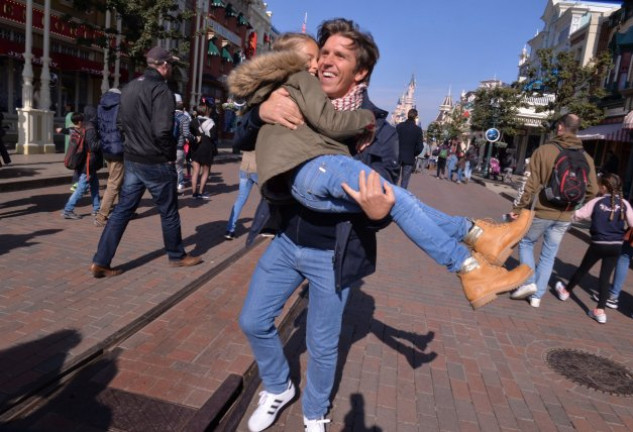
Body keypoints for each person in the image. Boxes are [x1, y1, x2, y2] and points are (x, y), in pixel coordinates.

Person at [235, 21, 532, 432]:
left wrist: (375, 215)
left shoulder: (381, 128)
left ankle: (314, 414)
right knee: (252, 321)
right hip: (286, 240)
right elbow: (243, 136)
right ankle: (278, 385)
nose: (324, 62)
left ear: (361, 72)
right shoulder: (293, 91)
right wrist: (258, 112)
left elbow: (388, 207)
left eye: (339, 56)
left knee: (322, 345)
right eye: (323, 53)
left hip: (332, 255)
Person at [90, 45, 201, 278]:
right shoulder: (161, 91)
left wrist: (131, 145)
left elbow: (119, 124)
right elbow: (162, 131)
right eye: (170, 65)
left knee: (122, 210)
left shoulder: (129, 87)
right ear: (163, 65)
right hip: (154, 160)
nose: (171, 69)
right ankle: (177, 255)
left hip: (132, 158)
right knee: (169, 212)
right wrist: (170, 157)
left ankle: (101, 260)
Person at [509, 113, 599, 307]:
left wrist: (518, 207)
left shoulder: (545, 150)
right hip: (565, 215)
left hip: (543, 210)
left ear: (559, 127)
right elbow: (593, 190)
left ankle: (529, 282)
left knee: (526, 242)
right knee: (549, 254)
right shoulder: (586, 157)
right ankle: (537, 297)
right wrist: (576, 205)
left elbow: (530, 185)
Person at [553, 173, 633, 323]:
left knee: (583, 269)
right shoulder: (624, 204)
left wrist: (566, 216)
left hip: (598, 243)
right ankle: (600, 311)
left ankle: (566, 291)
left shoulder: (597, 201)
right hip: (616, 245)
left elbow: (578, 215)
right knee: (605, 277)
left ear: (603, 187)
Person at [58, 108, 102, 220]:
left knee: (95, 186)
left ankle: (97, 208)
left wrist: (61, 130)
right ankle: (68, 209)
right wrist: (104, 140)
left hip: (87, 162)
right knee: (82, 188)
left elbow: (69, 130)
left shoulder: (82, 128)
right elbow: (93, 146)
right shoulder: (90, 128)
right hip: (88, 163)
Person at [94, 88, 124, 227]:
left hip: (106, 148)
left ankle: (124, 210)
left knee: (119, 181)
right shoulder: (121, 106)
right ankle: (101, 216)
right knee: (113, 183)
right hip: (119, 148)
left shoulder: (101, 106)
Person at [224, 150, 258, 240]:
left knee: (240, 199)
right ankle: (271, 226)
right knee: (268, 198)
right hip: (258, 169)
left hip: (245, 168)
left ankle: (230, 230)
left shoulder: (248, 136)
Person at [189, 97, 216, 200]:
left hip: (196, 147)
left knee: (195, 171)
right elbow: (213, 137)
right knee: (205, 171)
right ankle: (201, 192)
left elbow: (190, 135)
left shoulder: (193, 121)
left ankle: (194, 193)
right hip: (207, 148)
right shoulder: (211, 123)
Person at [395, 108, 423, 189]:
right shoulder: (418, 130)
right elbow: (420, 147)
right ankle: (400, 199)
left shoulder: (399, 126)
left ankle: (391, 196)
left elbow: (393, 140)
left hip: (397, 156)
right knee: (405, 181)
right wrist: (413, 153)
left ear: (408, 115)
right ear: (415, 117)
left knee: (394, 178)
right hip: (409, 158)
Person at [173, 93, 194, 193]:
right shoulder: (184, 117)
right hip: (179, 147)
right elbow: (186, 133)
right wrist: (193, 138)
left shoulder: (168, 115)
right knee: (179, 169)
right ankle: (180, 184)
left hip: (167, 147)